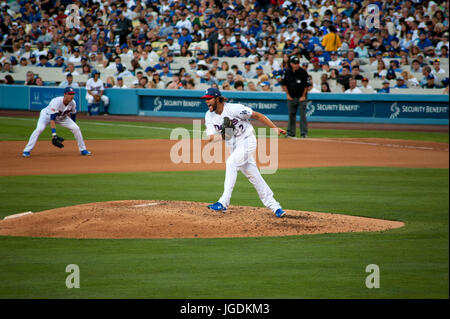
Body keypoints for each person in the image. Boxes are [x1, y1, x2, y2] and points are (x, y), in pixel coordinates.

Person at [201, 87, 287, 218]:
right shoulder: (209, 116)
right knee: (254, 176)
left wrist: (274, 128)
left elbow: (257, 115)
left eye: (209, 99)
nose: (207, 102)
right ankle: (276, 207)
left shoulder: (234, 109)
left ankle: (223, 202)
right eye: (206, 99)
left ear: (218, 99)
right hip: (234, 147)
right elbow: (211, 138)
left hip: (247, 140)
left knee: (231, 163)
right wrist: (226, 134)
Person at [22, 87, 92, 158]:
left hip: (62, 117)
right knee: (39, 129)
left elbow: (73, 114)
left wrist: (73, 125)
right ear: (65, 95)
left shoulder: (73, 103)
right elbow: (52, 119)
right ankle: (27, 150)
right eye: (70, 94)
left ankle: (83, 150)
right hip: (46, 116)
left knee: (76, 128)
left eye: (73, 94)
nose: (72, 96)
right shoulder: (56, 102)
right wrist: (54, 134)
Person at [281, 56, 310, 138]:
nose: (296, 65)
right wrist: (288, 95)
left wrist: (303, 96)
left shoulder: (303, 72)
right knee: (291, 115)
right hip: (291, 97)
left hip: (302, 98)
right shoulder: (287, 72)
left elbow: (306, 86)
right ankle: (290, 133)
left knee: (303, 115)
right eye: (295, 63)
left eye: (297, 63)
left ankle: (304, 133)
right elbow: (284, 84)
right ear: (291, 64)